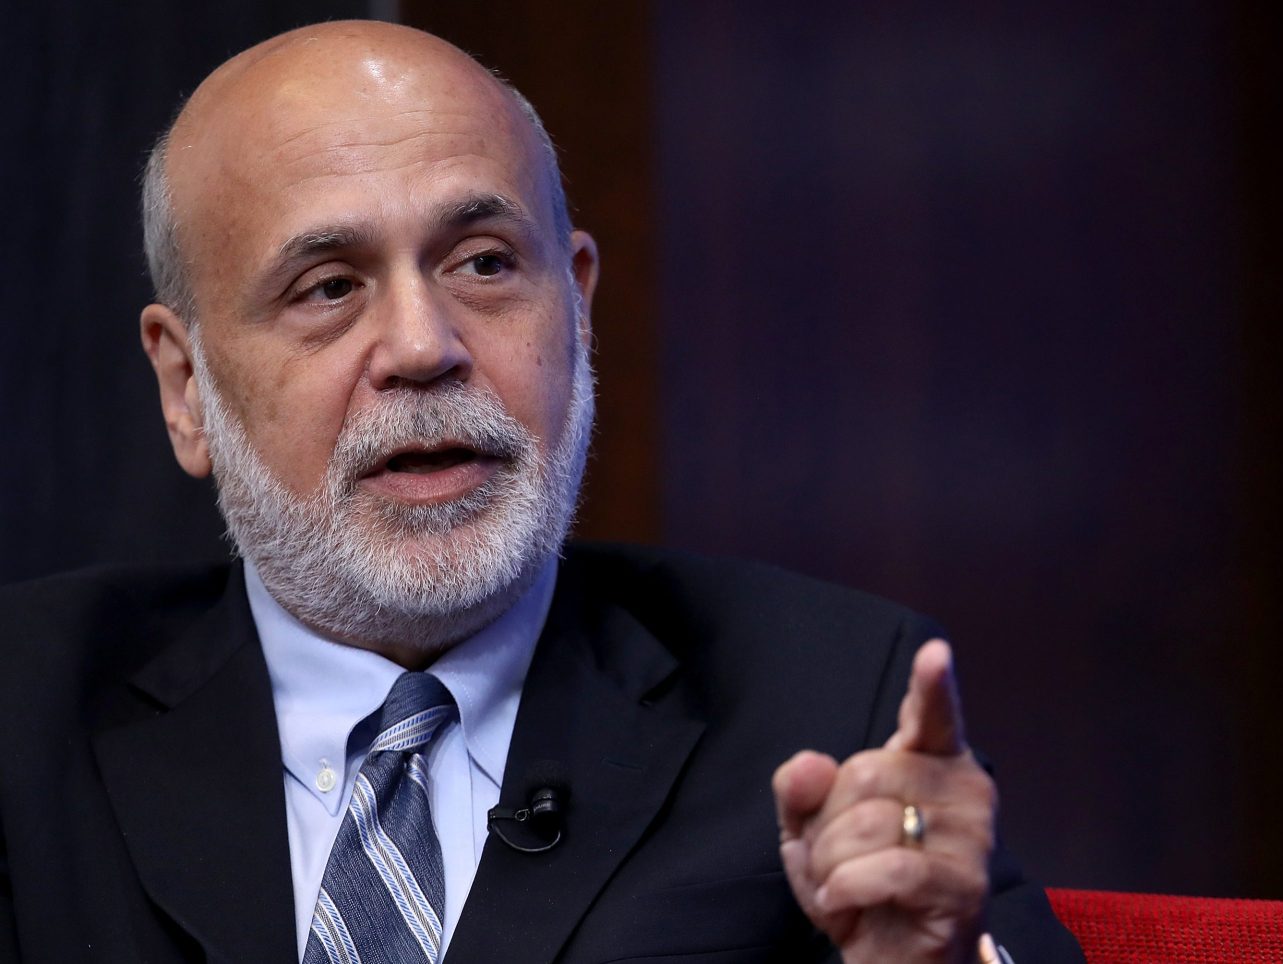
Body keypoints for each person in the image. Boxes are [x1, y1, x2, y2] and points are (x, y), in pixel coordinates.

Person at [0, 20, 1082, 964]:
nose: (423, 347)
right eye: (328, 287)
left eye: (483, 264)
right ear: (186, 387)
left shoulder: (830, 702)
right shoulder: (22, 716)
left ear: (578, 307)